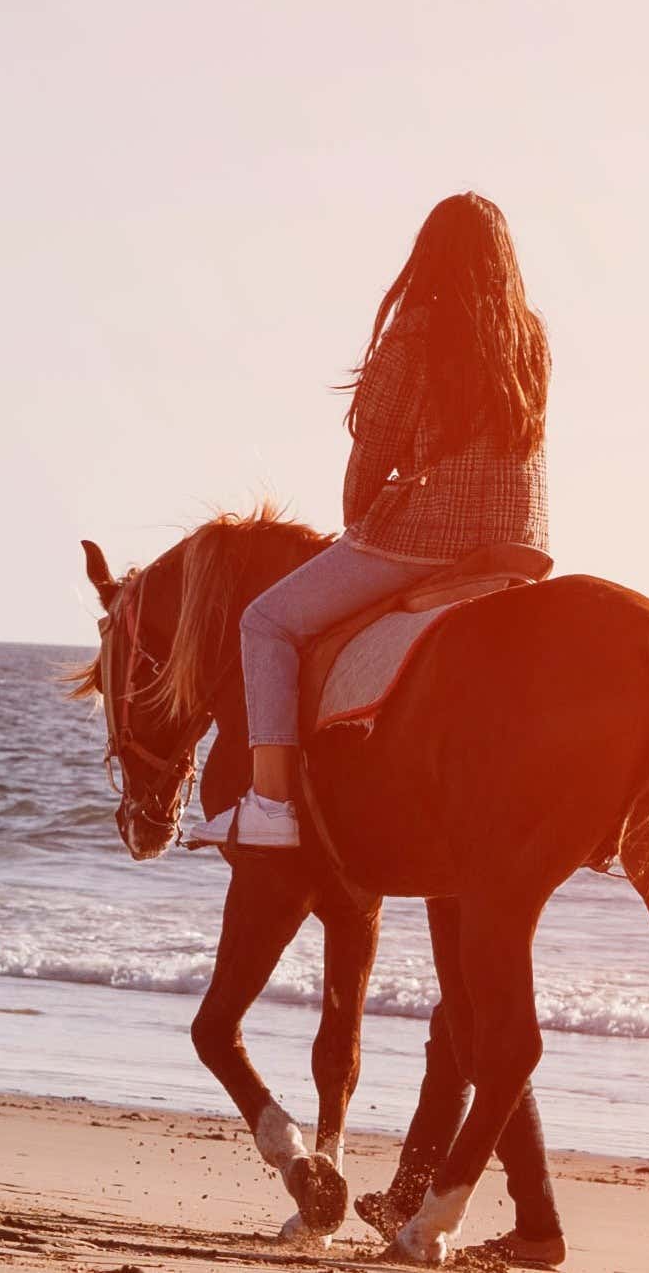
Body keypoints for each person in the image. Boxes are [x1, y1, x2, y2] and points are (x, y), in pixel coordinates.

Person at [209, 194, 555, 850]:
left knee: (266, 622)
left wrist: (356, 528)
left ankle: (272, 802)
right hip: (521, 549)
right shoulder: (529, 338)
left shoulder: (415, 333)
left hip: (426, 544)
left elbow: (371, 456)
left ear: (429, 255)